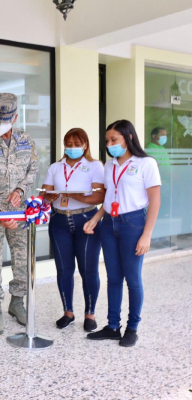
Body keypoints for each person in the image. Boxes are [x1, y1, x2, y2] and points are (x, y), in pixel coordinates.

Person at [84, 120, 161, 347]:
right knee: (114, 278)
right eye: (107, 141)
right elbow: (109, 200)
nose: (109, 144)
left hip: (134, 223)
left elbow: (155, 201)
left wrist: (147, 235)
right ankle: (113, 326)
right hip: (109, 224)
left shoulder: (146, 163)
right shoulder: (110, 165)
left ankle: (132, 327)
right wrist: (96, 219)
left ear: (128, 139)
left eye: (114, 140)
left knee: (133, 279)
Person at [0, 93, 39, 335]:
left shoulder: (25, 139)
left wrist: (21, 190)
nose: (2, 123)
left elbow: (33, 168)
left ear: (15, 117)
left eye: (7, 119)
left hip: (20, 214)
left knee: (22, 259)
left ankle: (17, 302)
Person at [41, 128, 105, 332]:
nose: (72, 148)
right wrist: (48, 197)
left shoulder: (95, 166)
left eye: (77, 144)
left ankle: (90, 314)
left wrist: (78, 196)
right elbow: (45, 192)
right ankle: (68, 312)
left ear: (85, 145)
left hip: (86, 219)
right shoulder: (56, 167)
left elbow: (100, 196)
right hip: (59, 220)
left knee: (88, 269)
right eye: (68, 144)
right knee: (64, 269)